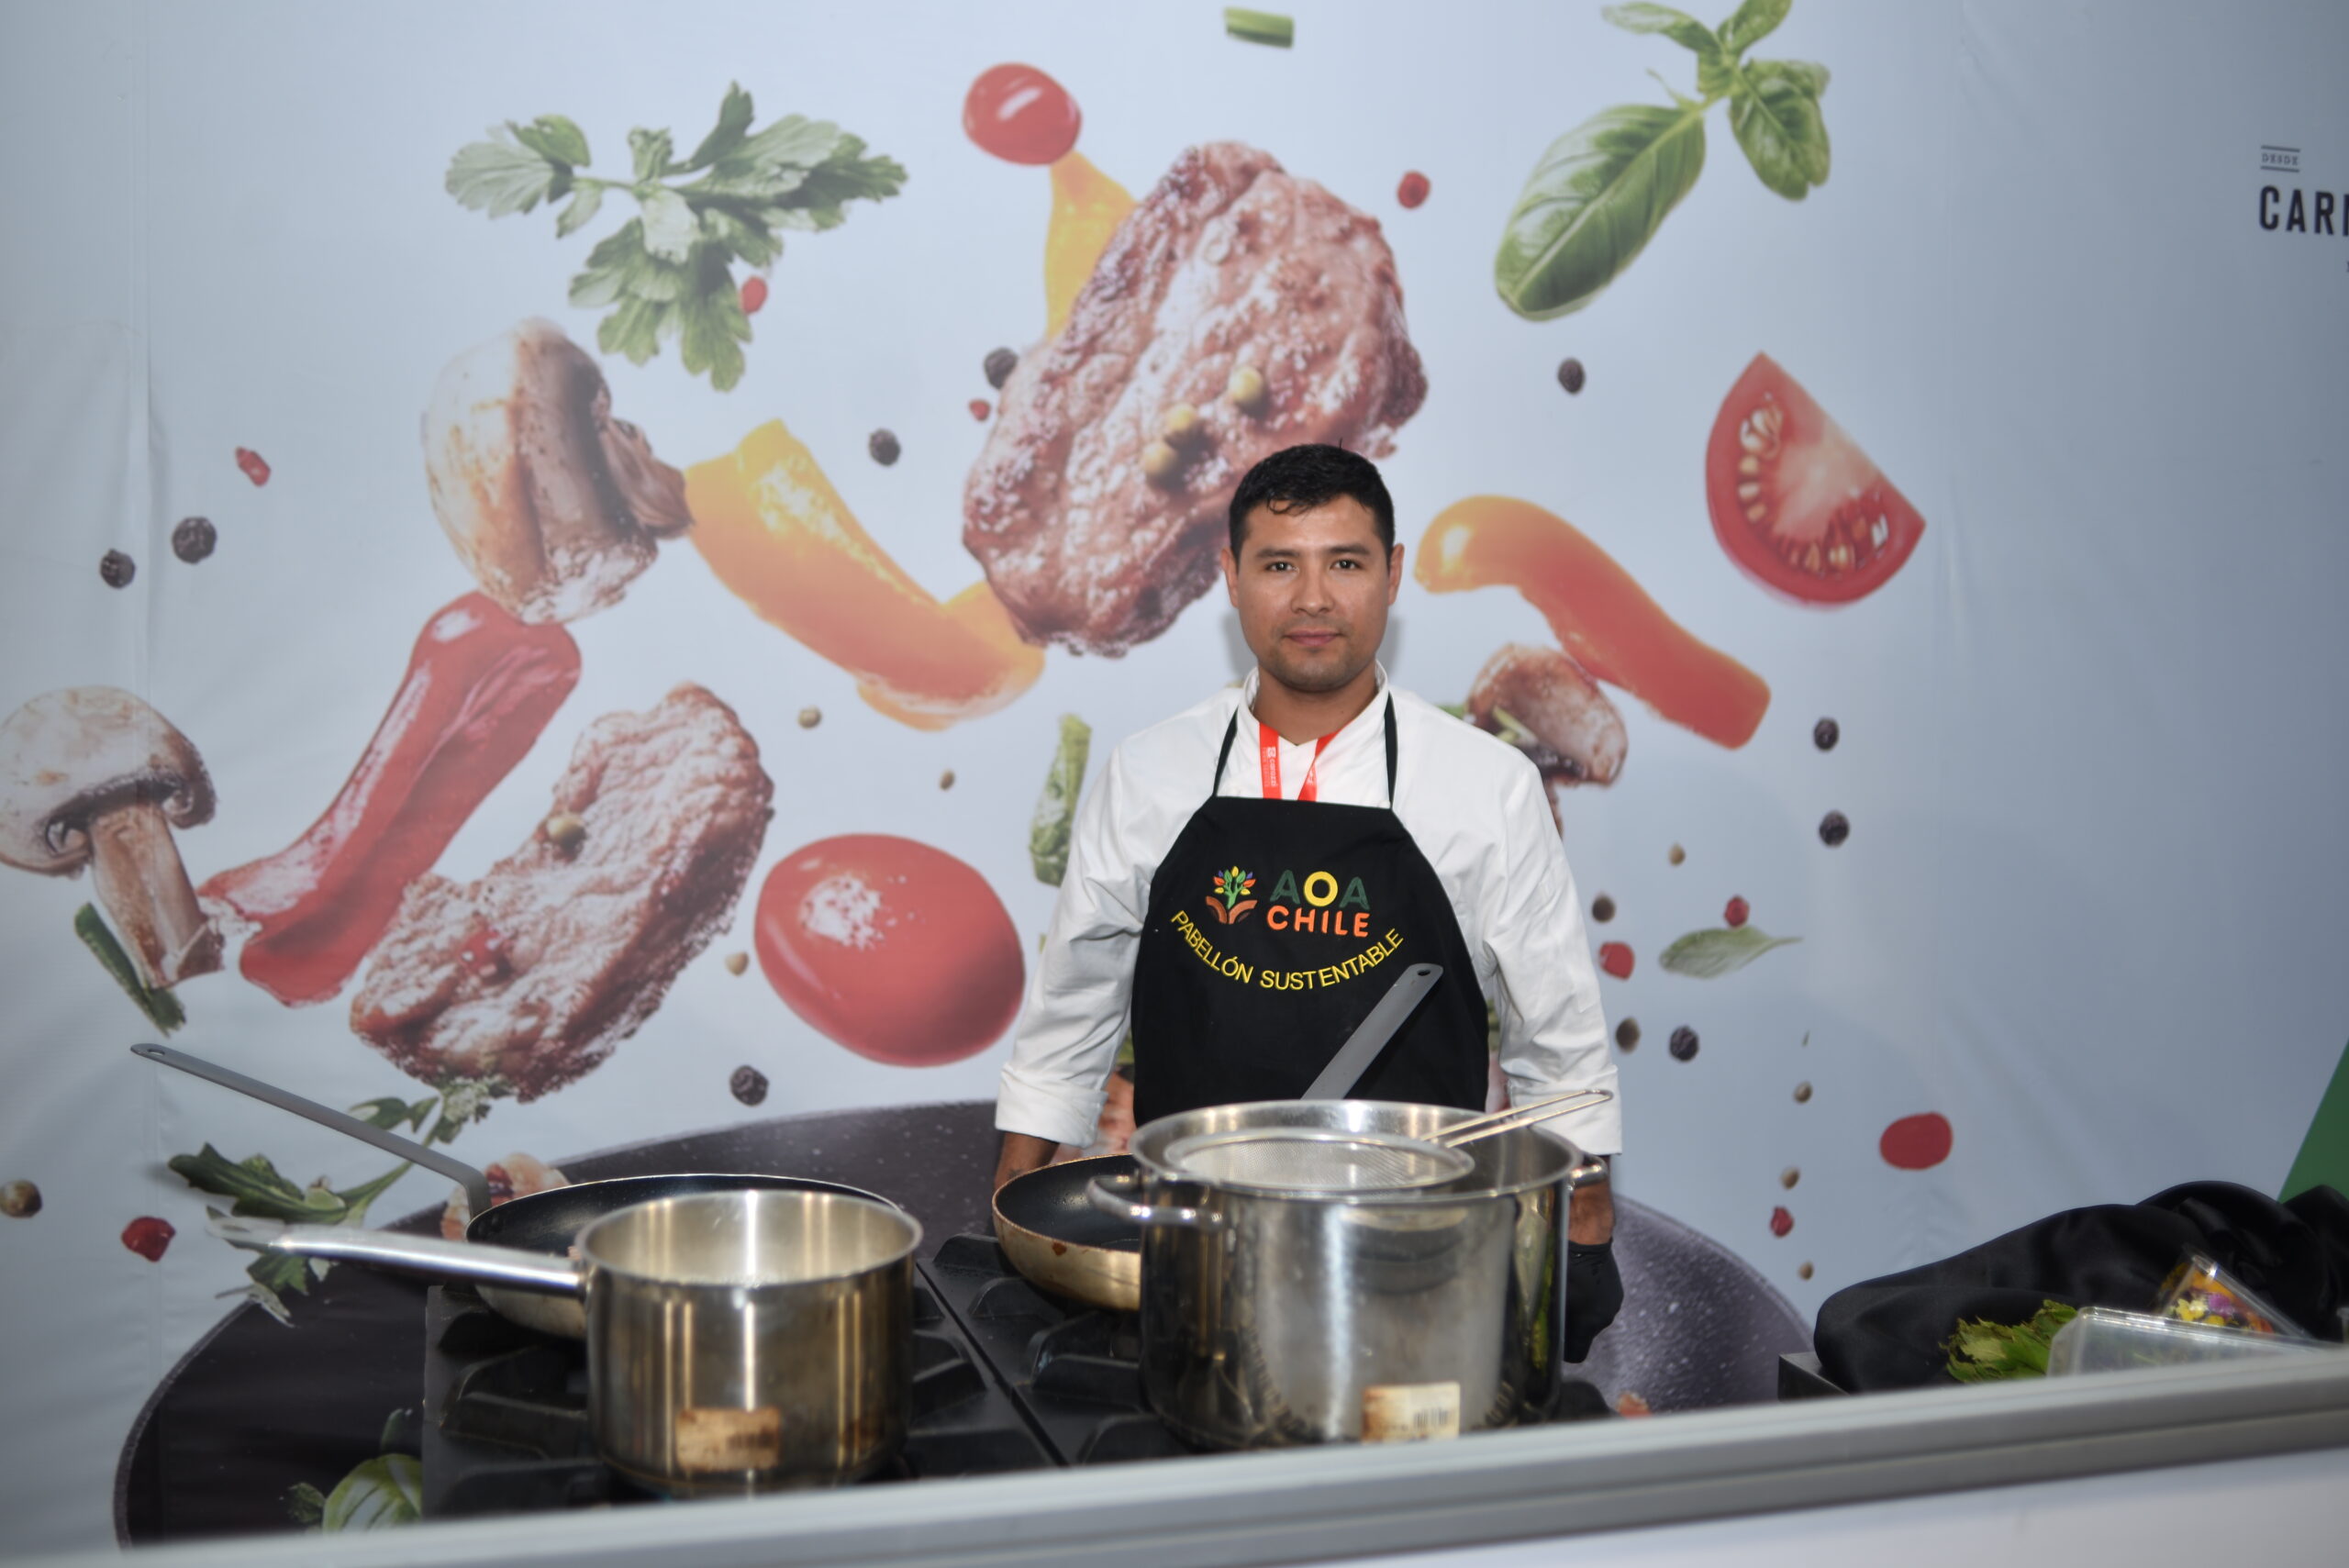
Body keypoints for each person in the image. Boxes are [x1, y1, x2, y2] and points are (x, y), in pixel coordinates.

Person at [994, 444, 1624, 1356]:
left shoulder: (1485, 785)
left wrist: (1587, 1219)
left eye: (1347, 563)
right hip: (1190, 1246)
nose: (1314, 599)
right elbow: (1072, 1007)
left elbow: (1557, 1031)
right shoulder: (1151, 772)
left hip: (1416, 1253)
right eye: (1280, 565)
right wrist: (1010, 1209)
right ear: (1231, 576)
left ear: (1393, 574)